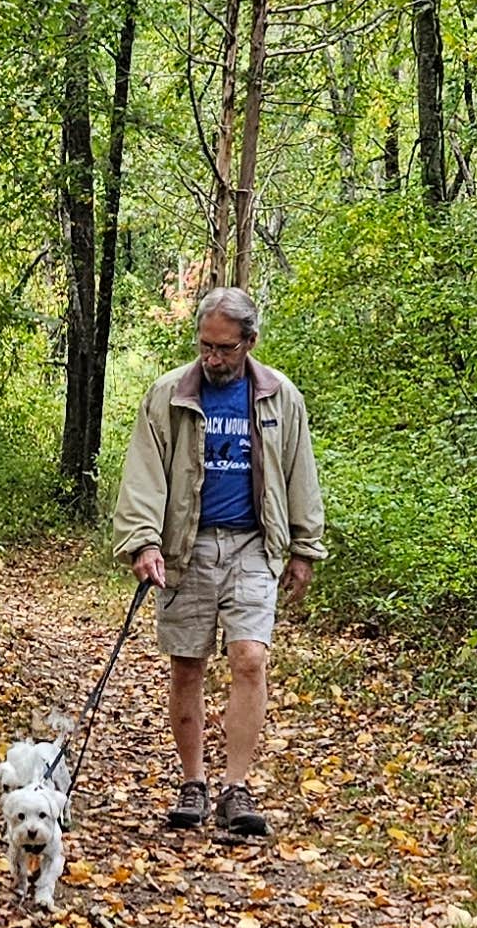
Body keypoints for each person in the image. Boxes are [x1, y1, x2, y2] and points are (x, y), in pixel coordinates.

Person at [110, 285, 325, 838]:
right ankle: (193, 783)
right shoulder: (169, 395)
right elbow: (144, 474)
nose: (213, 358)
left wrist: (304, 546)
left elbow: (300, 473)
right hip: (189, 545)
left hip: (255, 544)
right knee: (187, 662)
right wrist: (144, 542)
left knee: (250, 657)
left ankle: (235, 787)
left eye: (225, 349)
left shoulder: (281, 396)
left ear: (250, 342)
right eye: (206, 346)